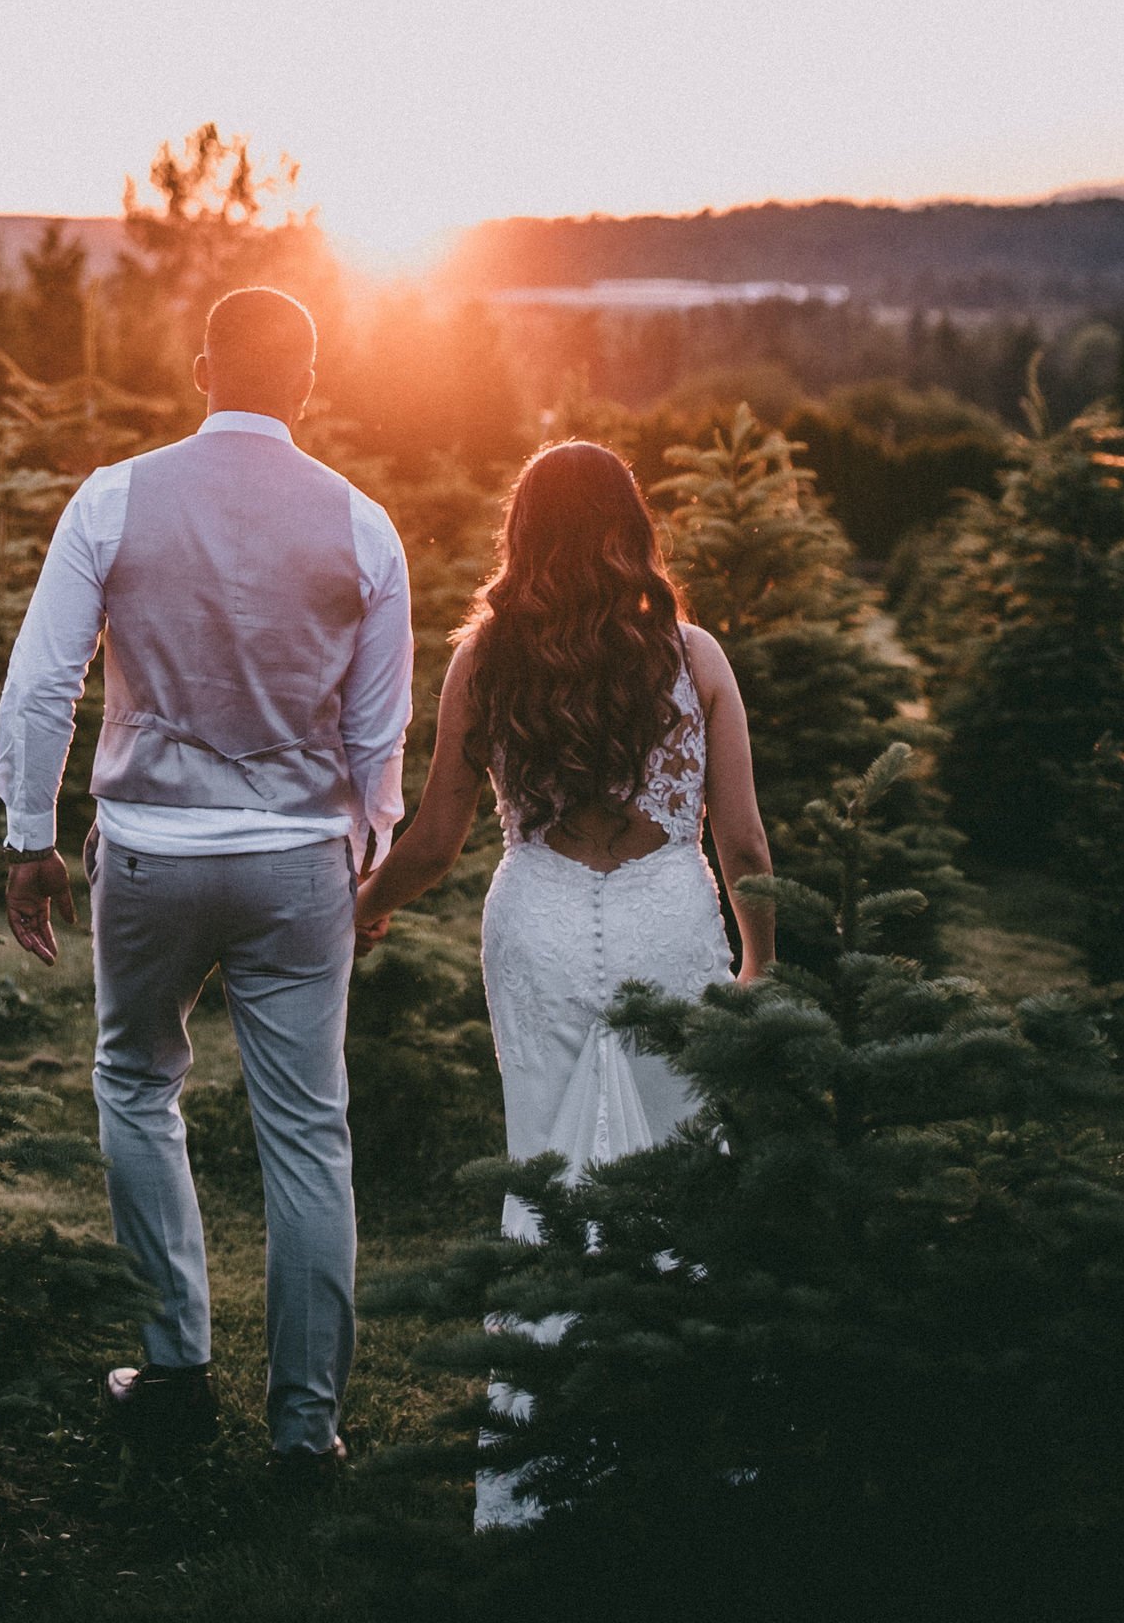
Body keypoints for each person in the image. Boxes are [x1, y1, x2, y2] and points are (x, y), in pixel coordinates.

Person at [0, 285, 412, 1480]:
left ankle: (174, 1370)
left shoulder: (113, 496)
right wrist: (364, 862)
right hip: (296, 863)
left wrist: (30, 835)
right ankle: (304, 1430)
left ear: (200, 370)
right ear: (309, 385)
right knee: (309, 1133)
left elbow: (41, 685)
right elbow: (378, 743)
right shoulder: (363, 527)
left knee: (134, 1080)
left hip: (153, 851)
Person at [352, 436, 773, 1525]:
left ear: (521, 535)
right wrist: (760, 962)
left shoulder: (485, 658)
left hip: (534, 920)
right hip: (667, 920)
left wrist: (368, 899)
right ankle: (686, 1442)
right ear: (633, 529)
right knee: (682, 1166)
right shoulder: (694, 656)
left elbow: (440, 835)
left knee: (546, 1168)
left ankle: (542, 1462)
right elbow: (746, 845)